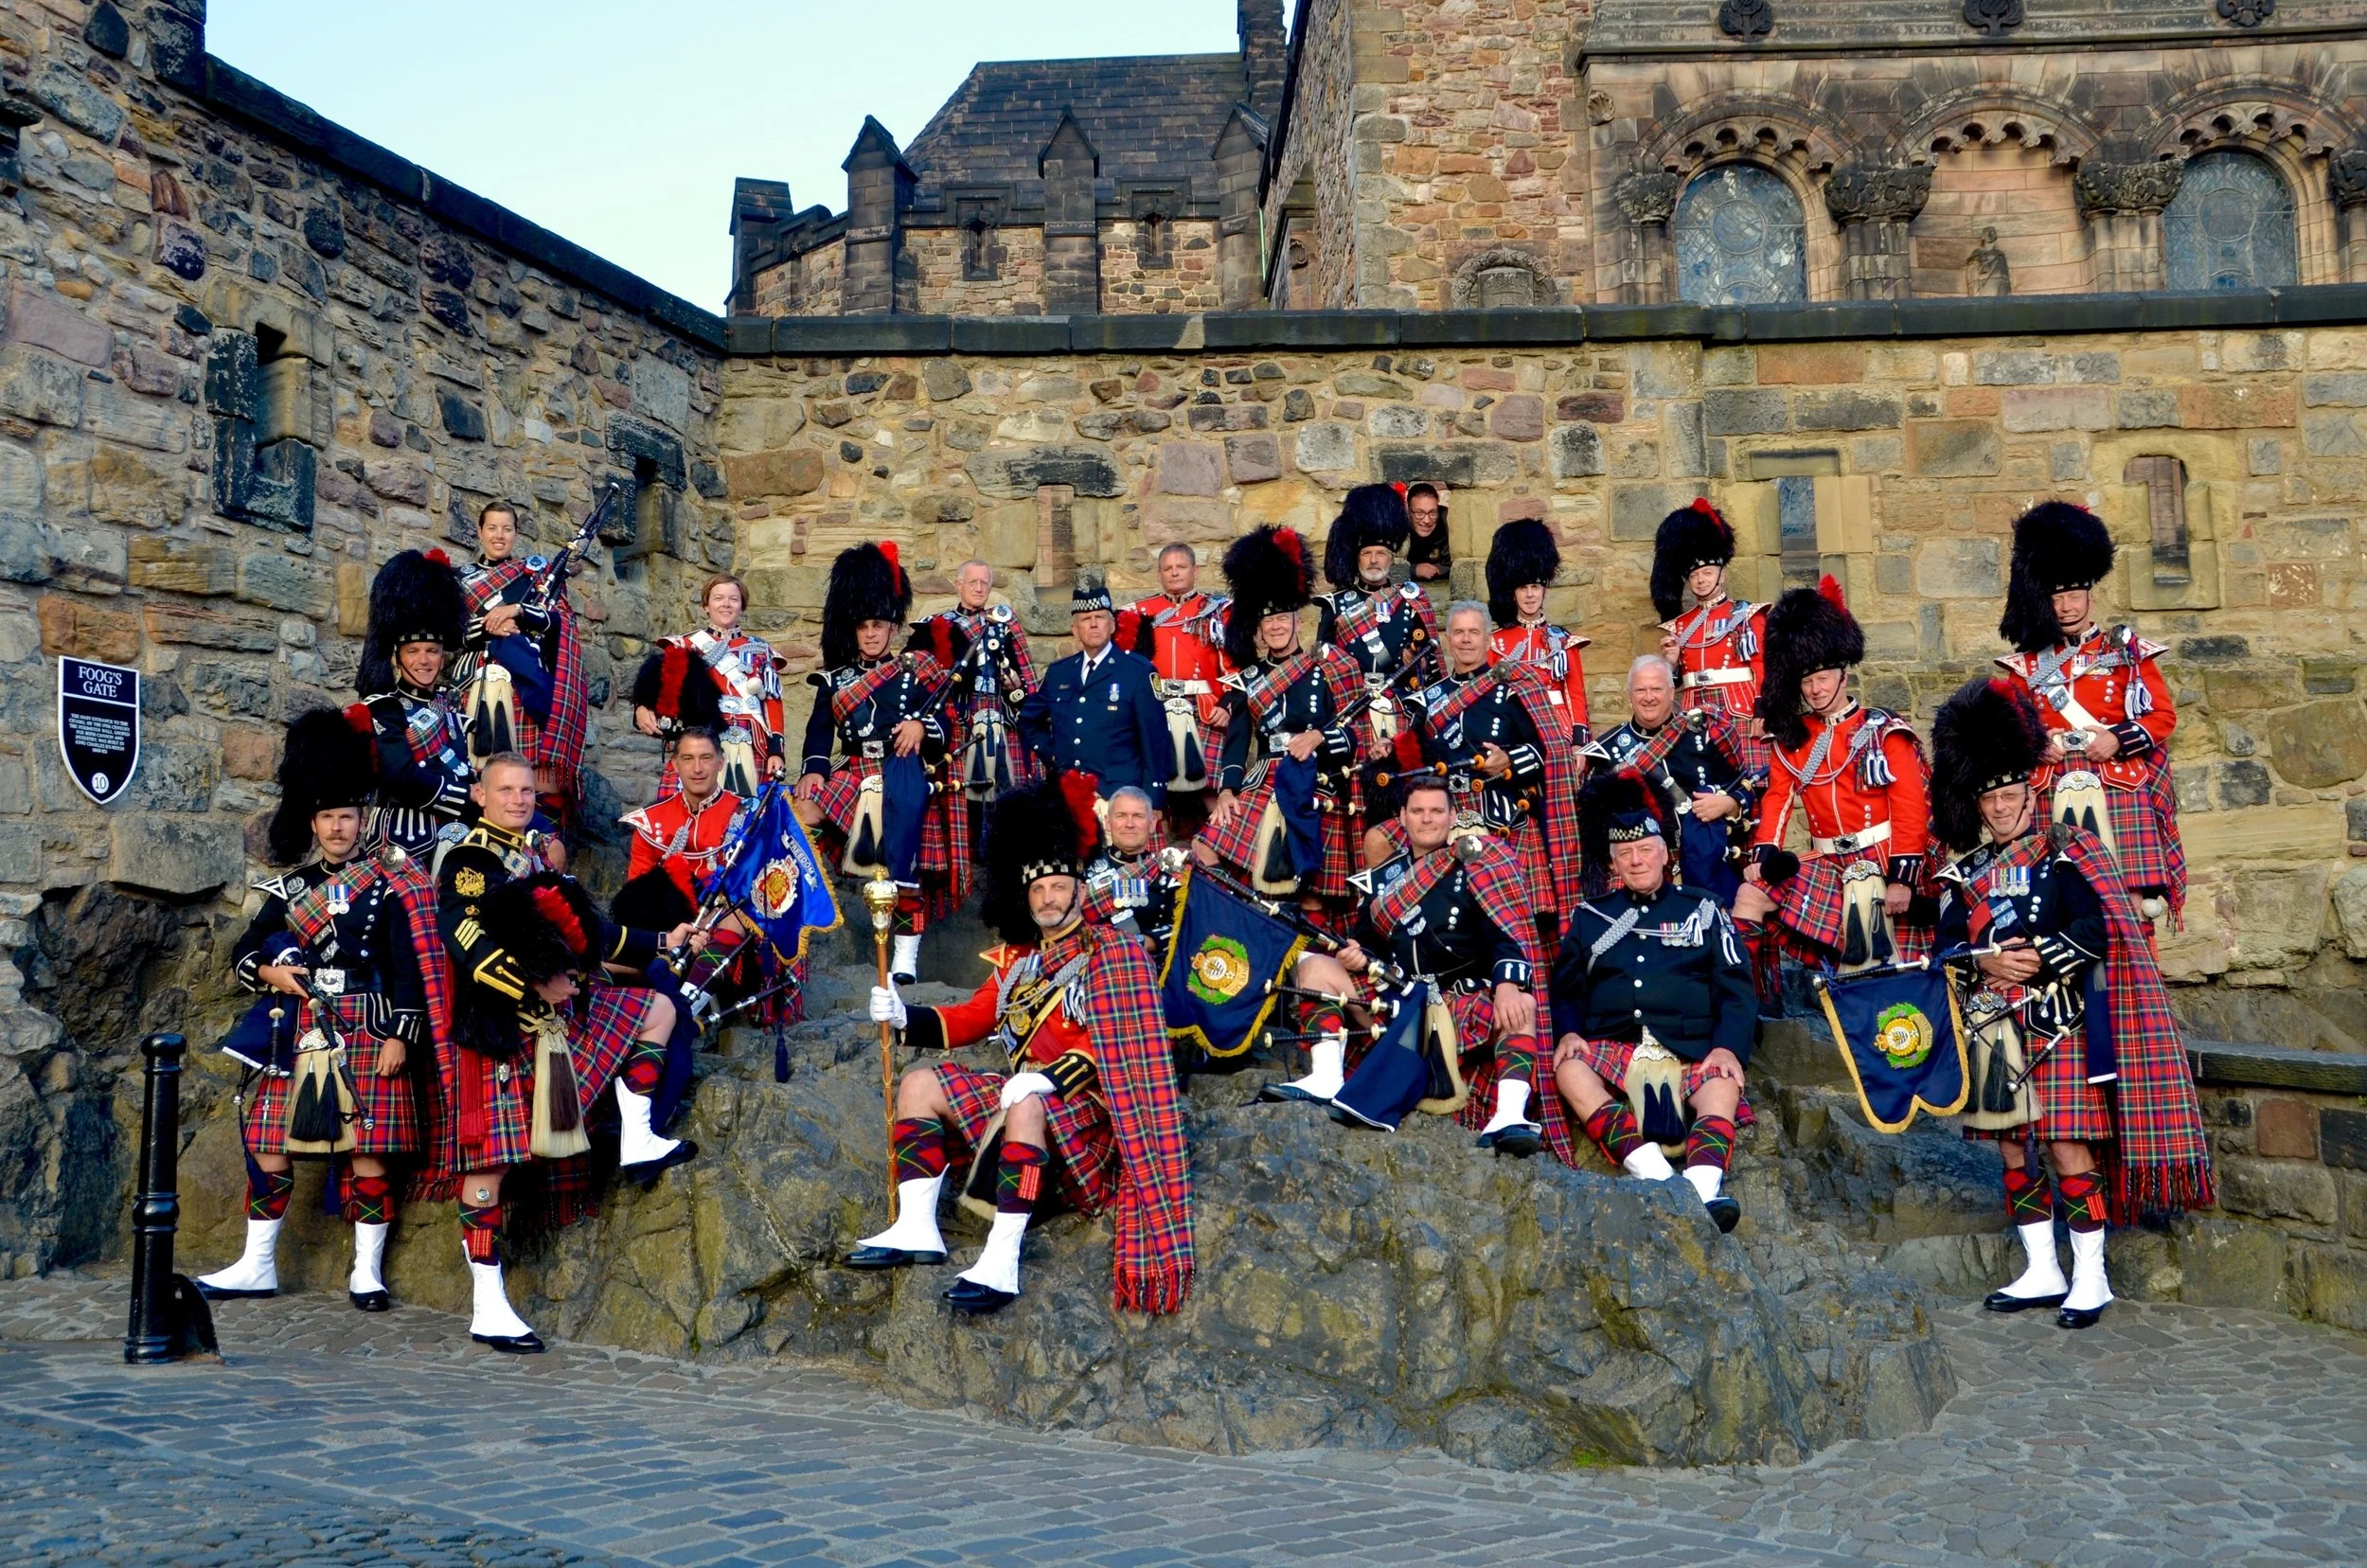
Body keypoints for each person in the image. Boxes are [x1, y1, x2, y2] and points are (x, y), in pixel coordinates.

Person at [845, 777, 1194, 1317]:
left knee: (1025, 1100)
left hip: (1092, 1114)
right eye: (1036, 890)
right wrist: (902, 1016)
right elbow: (969, 1019)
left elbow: (1124, 1051)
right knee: (919, 1083)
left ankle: (1000, 1261)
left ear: (1079, 890)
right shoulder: (1018, 963)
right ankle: (917, 1227)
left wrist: (1050, 1078)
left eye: (1057, 886)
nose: (1047, 897)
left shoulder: (1115, 952)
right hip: (1020, 1101)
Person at [1929, 676, 2214, 1329]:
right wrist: (1985, 962)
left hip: (2057, 1022)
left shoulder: (2068, 852)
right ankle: (2041, 1268)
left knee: (2066, 1147)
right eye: (1990, 798)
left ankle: (2091, 1276)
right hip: (1993, 1030)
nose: (2000, 808)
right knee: (2012, 1150)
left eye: (2009, 795)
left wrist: (2040, 957)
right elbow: (1946, 951)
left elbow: (2097, 930)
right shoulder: (1963, 871)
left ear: (2030, 792)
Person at [436, 754, 703, 1351]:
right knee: (490, 1167)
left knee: (657, 1010)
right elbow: (465, 935)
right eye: (505, 790)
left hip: (561, 1016)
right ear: (480, 796)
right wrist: (531, 983)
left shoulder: (533, 855)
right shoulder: (470, 861)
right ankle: (487, 1304)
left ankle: (639, 1140)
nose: (518, 799)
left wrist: (665, 939)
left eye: (527, 790)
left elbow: (594, 933)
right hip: (504, 1024)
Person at [197, 708, 450, 1312]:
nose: (337, 828)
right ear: (314, 822)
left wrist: (399, 1035)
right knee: (268, 1144)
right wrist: (268, 970)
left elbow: (408, 964)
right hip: (303, 1025)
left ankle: (366, 1272)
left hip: (367, 1017)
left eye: (346, 816)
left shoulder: (391, 882)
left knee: (368, 1151)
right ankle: (257, 1264)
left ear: (362, 820)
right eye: (328, 817)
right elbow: (245, 949)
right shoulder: (294, 888)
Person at [1283, 778, 1546, 1155]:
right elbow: (1367, 942)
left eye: (1437, 811)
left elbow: (1506, 935)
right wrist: (1356, 954)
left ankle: (1509, 1115)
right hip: (1398, 1002)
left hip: (1461, 1000)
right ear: (1402, 818)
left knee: (1522, 1008)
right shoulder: (1382, 880)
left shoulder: (1475, 866)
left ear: (1452, 816)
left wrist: (1507, 986)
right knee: (1314, 966)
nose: (1427, 820)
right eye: (1418, 811)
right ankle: (1326, 1076)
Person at [1548, 771, 1757, 1233]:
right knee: (1569, 1070)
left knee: (1721, 1083)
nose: (1637, 861)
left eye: (1645, 850)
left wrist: (1727, 1048)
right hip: (1615, 1047)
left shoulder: (1705, 909)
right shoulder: (1590, 918)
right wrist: (1568, 1033)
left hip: (1688, 1051)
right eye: (1626, 854)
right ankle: (1658, 1178)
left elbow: (1736, 988)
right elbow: (1566, 989)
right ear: (1613, 864)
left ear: (1665, 854)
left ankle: (1703, 1188)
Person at [1735, 579, 1933, 1004]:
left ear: (1843, 674)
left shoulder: (1883, 731)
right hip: (1827, 863)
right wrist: (1764, 853)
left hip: (1882, 862)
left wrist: (1903, 879)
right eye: (1806, 681)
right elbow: (1778, 798)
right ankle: (1746, 1008)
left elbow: (1910, 809)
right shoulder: (1795, 737)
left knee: (1891, 979)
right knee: (1750, 895)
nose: (1815, 689)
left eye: (1823, 678)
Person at [1992, 502, 2183, 922]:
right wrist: (2035, 746)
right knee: (2053, 903)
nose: (2065, 607)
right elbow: (2006, 730)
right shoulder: (2023, 666)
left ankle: (2134, 987)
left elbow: (2162, 718)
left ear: (2090, 596)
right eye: (2057, 597)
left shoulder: (2128, 654)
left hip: (2116, 785)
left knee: (2132, 904)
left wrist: (2117, 738)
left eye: (2074, 596)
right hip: (2050, 786)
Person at [794, 543, 963, 983]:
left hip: (899, 771)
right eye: (863, 626)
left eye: (879, 625)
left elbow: (947, 722)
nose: (871, 634)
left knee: (903, 857)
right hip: (853, 770)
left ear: (892, 627)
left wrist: (921, 728)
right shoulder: (835, 679)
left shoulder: (914, 671)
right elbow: (818, 729)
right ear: (853, 630)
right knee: (802, 812)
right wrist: (813, 769)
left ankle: (906, 955)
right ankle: (810, 900)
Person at [1196, 526, 1366, 913]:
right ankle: (1235, 923)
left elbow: (1354, 733)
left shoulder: (1326, 667)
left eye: (1282, 618)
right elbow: (1237, 742)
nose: (1275, 626)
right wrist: (1226, 790)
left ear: (1295, 621)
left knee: (1309, 890)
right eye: (1266, 620)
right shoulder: (1249, 680)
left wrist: (1319, 738)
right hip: (1263, 779)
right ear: (1257, 628)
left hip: (1315, 779)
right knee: (1204, 848)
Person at [1397, 600, 1583, 951]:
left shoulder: (1514, 688)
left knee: (1517, 933)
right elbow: (1413, 764)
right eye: (1459, 632)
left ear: (1488, 640)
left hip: (1506, 823)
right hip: (1443, 826)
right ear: (1448, 638)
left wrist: (1508, 761)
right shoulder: (1428, 700)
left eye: (1474, 632)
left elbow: (1550, 752)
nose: (1466, 640)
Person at [452, 499, 589, 818]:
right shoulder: (460, 580)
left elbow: (559, 622)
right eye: (492, 528)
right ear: (480, 532)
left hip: (522, 686)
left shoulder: (535, 576)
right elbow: (451, 634)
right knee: (474, 764)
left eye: (507, 529)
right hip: (473, 682)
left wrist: (518, 611)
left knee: (525, 766)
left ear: (515, 534)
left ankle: (534, 843)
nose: (499, 536)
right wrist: (491, 628)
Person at [1587, 655, 1757, 910]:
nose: (1648, 697)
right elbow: (1595, 825)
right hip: (1641, 871)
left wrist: (1727, 803)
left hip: (1705, 862)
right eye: (1640, 690)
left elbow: (1744, 786)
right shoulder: (1607, 751)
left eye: (1656, 689)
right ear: (1629, 694)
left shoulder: (1702, 734)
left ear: (1670, 691)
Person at [352, 548, 476, 861]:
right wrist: (466, 796)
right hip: (401, 842)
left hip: (457, 840)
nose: (424, 660)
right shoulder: (382, 706)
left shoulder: (452, 707)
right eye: (413, 651)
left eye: (432, 651)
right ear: (397, 656)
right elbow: (399, 777)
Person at [1018, 578, 1170, 829]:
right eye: (1086, 620)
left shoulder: (1138, 672)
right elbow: (1028, 720)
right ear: (1075, 629)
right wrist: (1053, 756)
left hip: (1119, 798)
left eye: (1100, 617)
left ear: (1112, 625)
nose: (1094, 624)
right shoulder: (1060, 673)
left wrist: (1154, 800)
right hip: (1067, 794)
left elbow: (1155, 740)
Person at [1316, 483, 1439, 760]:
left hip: (1402, 711)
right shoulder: (1334, 606)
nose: (1374, 560)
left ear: (1391, 557)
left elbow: (1431, 673)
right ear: (1356, 558)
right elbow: (1322, 671)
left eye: (1381, 553)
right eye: (1367, 553)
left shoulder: (1411, 600)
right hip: (1351, 711)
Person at [633, 573, 785, 797]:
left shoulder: (762, 651)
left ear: (742, 606)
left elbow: (772, 703)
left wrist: (776, 751)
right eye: (718, 598)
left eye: (734, 599)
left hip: (753, 744)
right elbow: (659, 687)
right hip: (701, 737)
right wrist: (641, 706)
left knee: (749, 818)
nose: (726, 604)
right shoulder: (684, 645)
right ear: (706, 605)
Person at [1119, 543, 1231, 839]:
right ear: (1159, 574)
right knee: (1155, 788)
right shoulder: (1140, 613)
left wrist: (1228, 705)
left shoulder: (1216, 611)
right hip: (1155, 709)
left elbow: (1233, 669)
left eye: (1181, 567)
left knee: (1212, 790)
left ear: (1195, 570)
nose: (1175, 573)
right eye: (1168, 568)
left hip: (1204, 710)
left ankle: (1223, 854)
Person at [1653, 499, 1769, 771]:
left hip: (1739, 710)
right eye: (1694, 575)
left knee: (1749, 786)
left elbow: (1763, 668)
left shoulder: (1747, 615)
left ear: (1722, 574)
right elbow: (1677, 682)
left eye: (1707, 572)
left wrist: (1763, 712)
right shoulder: (1679, 626)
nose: (1701, 580)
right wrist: (1670, 664)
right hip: (1695, 712)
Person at [915, 558, 1040, 800]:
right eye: (973, 582)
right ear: (958, 584)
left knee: (1007, 798)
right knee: (960, 800)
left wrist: (1015, 686)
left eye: (985, 582)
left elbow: (1025, 685)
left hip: (1001, 722)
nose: (979, 588)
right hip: (960, 724)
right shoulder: (939, 625)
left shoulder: (1005, 626)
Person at [1484, 519, 1590, 744]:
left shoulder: (1563, 641)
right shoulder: (1495, 642)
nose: (1530, 595)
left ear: (1544, 590)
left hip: (1558, 726)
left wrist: (1579, 742)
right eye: (1523, 587)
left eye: (1535, 587)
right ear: (1513, 593)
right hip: (1513, 724)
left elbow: (1575, 695)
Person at [622, 725, 746, 910]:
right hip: (666, 924)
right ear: (674, 764)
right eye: (688, 759)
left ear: (721, 762)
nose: (697, 769)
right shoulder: (649, 819)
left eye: (706, 758)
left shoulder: (746, 813)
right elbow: (638, 895)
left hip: (727, 919)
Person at [1082, 784, 1180, 965]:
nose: (1129, 824)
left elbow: (1184, 926)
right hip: (1094, 964)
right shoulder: (1084, 868)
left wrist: (1146, 942)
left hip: (1153, 968)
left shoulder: (1171, 871)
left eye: (1138, 816)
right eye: (1121, 816)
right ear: (1107, 823)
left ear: (1152, 824)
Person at [1406, 483, 1451, 583]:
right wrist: (1414, 569)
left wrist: (1437, 569)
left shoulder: (1447, 521)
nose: (1427, 520)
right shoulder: (1400, 526)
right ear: (1409, 511)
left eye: (1433, 513)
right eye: (1419, 513)